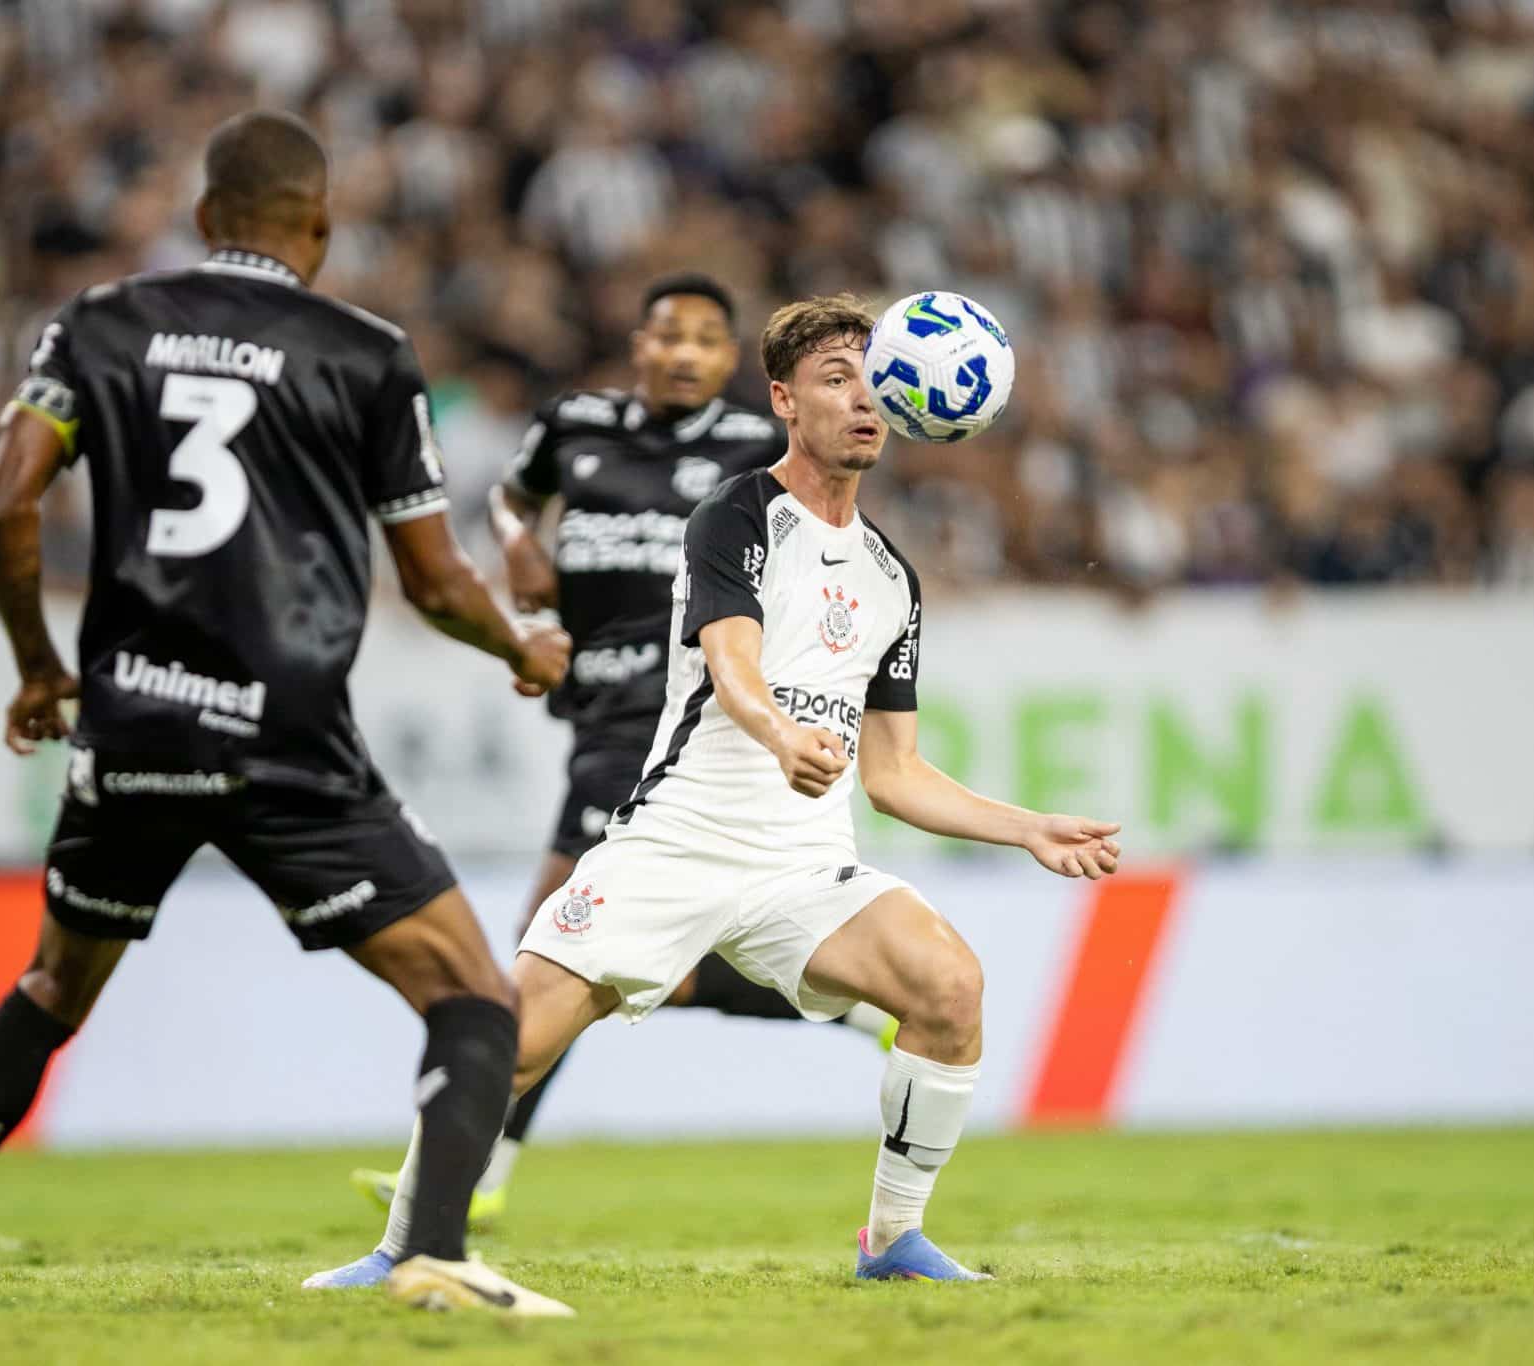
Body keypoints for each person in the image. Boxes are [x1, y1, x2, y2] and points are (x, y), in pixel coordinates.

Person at [0, 110, 574, 1323]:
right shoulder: (365, 352)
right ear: (319, 231)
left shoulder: (99, 324)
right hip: (284, 738)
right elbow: (435, 580)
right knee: (469, 994)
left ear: (202, 218)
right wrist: (519, 644)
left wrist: (36, 665)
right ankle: (434, 1251)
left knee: (47, 993)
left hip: (130, 726)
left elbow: (0, 501)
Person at [311, 295, 1122, 1290]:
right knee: (506, 1041)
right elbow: (730, 664)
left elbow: (893, 774)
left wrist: (1027, 826)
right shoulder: (734, 515)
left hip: (800, 864)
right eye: (835, 378)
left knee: (949, 989)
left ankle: (892, 1241)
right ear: (783, 399)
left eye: (874, 380)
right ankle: (400, 1250)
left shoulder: (887, 577)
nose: (863, 398)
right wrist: (781, 734)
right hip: (676, 842)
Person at [342, 274, 897, 1235]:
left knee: (550, 949)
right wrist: (520, 555)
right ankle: (847, 1002)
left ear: (734, 364)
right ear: (637, 344)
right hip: (594, 711)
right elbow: (510, 504)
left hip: (671, 720)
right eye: (668, 335)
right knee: (617, 962)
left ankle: (471, 1172)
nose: (685, 354)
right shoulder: (574, 425)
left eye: (707, 342)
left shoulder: (746, 457)